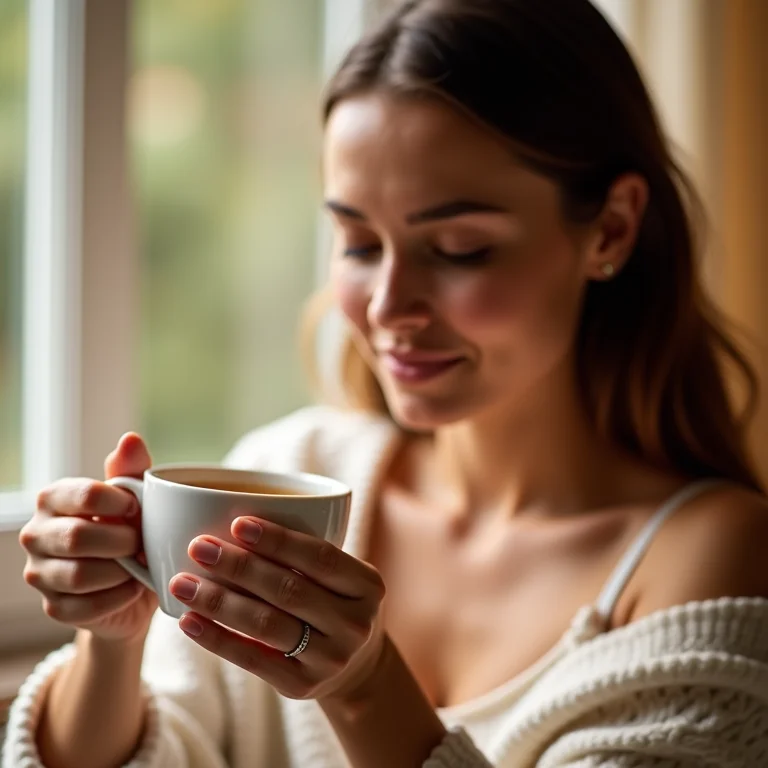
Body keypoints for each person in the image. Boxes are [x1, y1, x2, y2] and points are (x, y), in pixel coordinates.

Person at [6, 0, 768, 765]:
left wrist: (363, 685)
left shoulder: (708, 555)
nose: (386, 306)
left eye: (460, 247)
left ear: (611, 228)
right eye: (360, 242)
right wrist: (111, 643)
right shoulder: (295, 468)